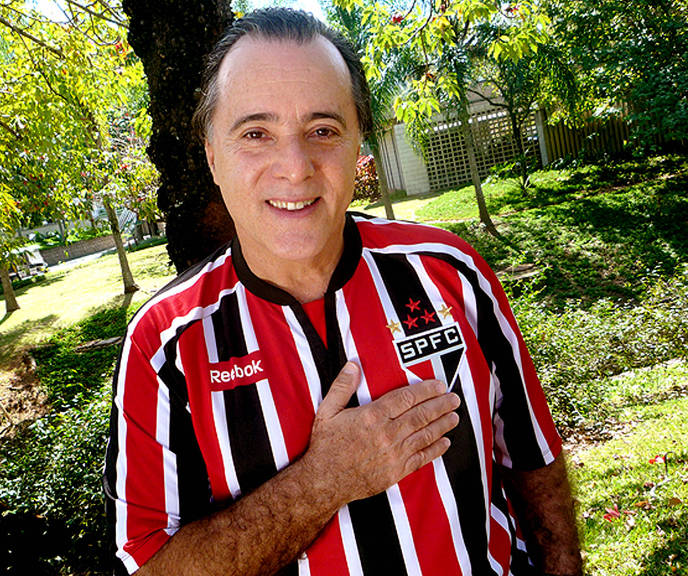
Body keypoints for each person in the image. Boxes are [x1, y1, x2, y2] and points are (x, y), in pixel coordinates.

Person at [104, 8, 582, 576]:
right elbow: (152, 565)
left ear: (360, 143)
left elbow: (533, 459)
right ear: (213, 155)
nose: (295, 167)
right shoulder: (164, 344)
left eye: (323, 130)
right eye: (256, 134)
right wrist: (322, 482)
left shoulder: (449, 272)